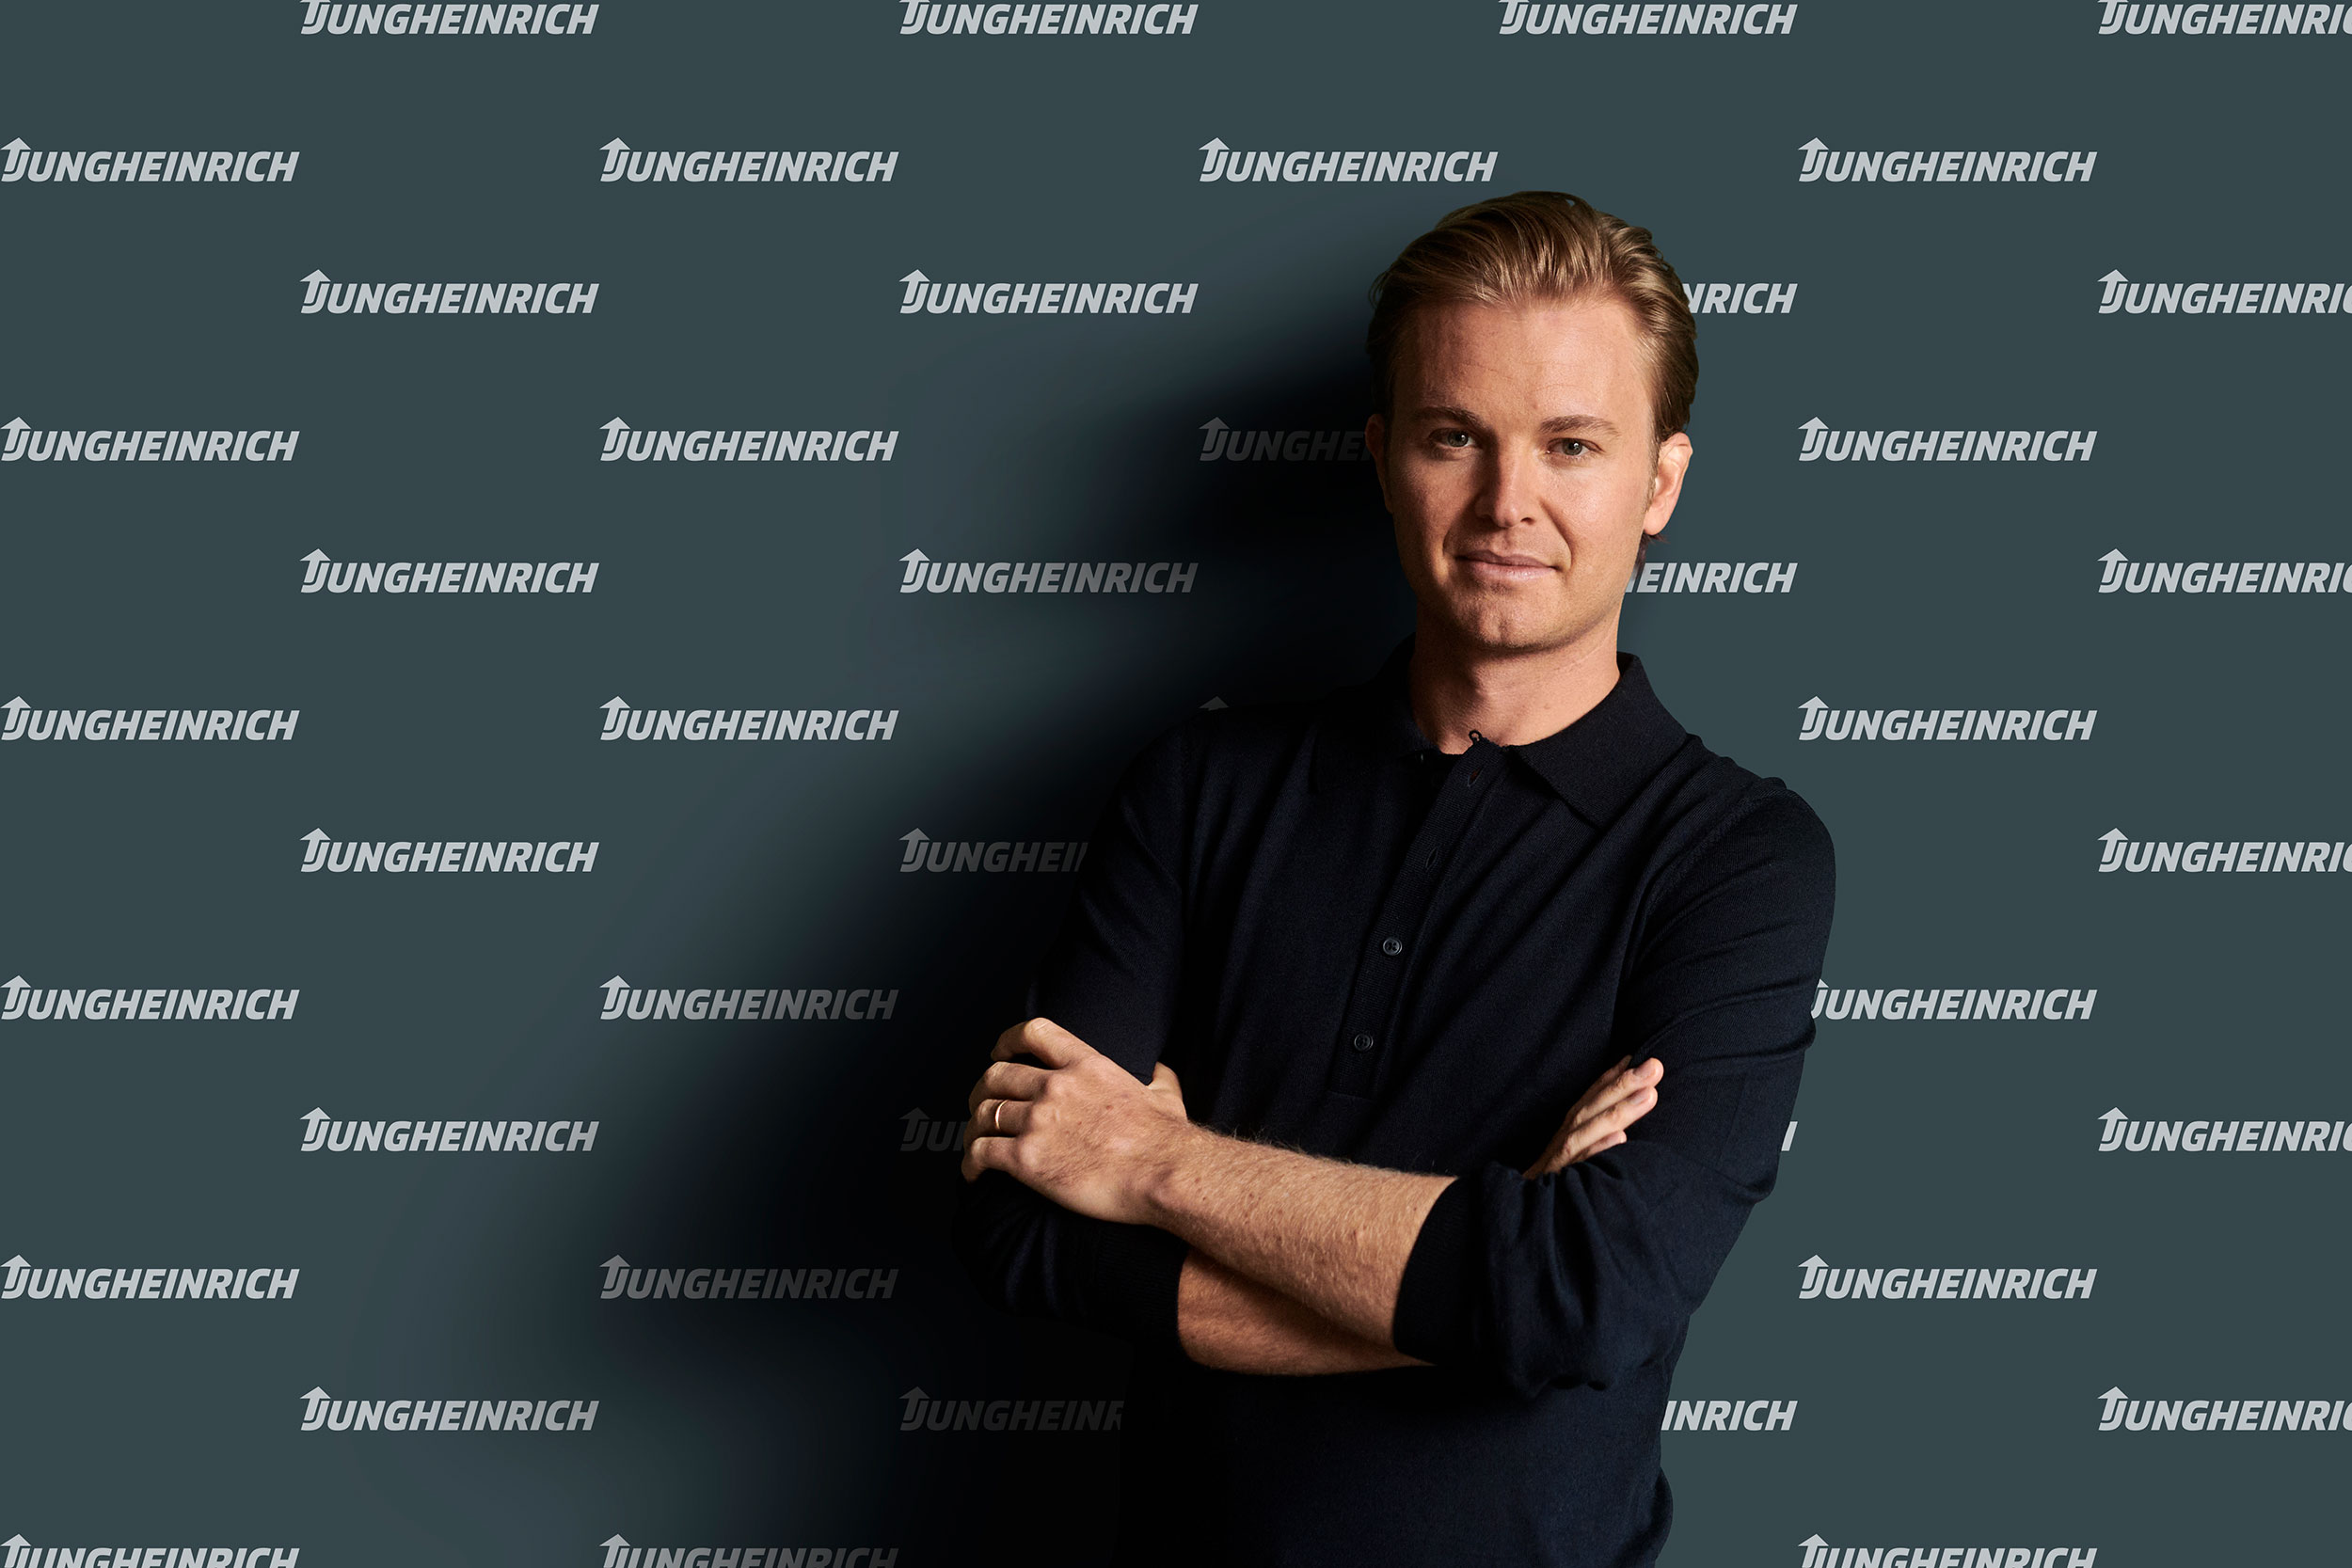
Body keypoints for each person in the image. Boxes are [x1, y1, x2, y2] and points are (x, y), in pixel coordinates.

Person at [951, 191, 1836, 1567]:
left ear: (1660, 484)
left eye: (1571, 445)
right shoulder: (1198, 788)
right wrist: (1489, 1279)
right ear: (1382, 460)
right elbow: (1028, 1226)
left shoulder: (1738, 857)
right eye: (1453, 437)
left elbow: (1594, 1297)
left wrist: (1158, 1162)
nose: (1507, 502)